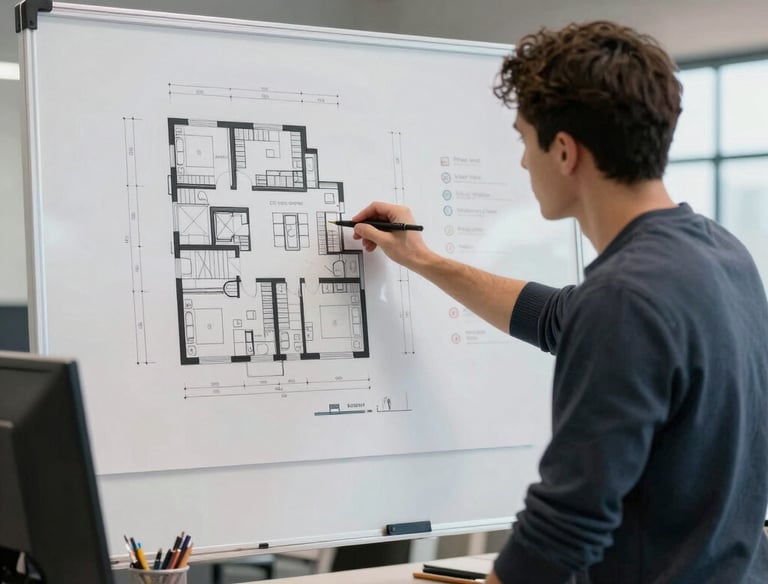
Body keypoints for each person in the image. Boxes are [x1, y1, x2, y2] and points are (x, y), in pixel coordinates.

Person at [351, 21, 768, 584]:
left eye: (526, 140)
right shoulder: (722, 256)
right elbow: (555, 317)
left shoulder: (624, 299)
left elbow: (564, 527)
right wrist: (424, 260)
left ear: (565, 151)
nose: (524, 162)